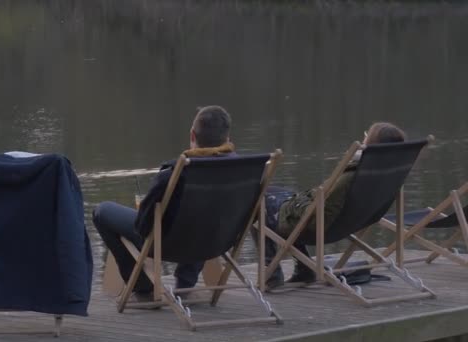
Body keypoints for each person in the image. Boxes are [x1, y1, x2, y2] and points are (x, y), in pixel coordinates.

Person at [93, 105, 236, 301]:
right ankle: (185, 284)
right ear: (227, 137)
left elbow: (143, 226)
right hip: (218, 241)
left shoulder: (174, 173)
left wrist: (145, 208)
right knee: (204, 219)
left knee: (102, 211)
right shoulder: (242, 171)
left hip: (168, 245)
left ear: (192, 135)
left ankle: (142, 287)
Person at [258, 122, 407, 288]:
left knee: (257, 202)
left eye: (366, 136)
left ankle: (272, 274)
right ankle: (305, 269)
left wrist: (300, 205)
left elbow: (321, 216)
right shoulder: (386, 174)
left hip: (319, 227)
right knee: (277, 192)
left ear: (370, 144)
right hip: (347, 224)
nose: (363, 138)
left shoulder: (353, 174)